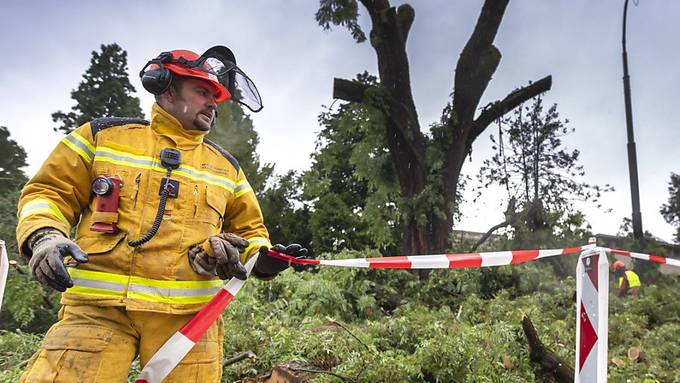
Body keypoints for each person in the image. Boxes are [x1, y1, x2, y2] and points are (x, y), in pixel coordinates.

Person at [16, 46, 306, 382]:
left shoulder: (227, 168)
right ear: (165, 86)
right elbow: (48, 192)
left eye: (215, 95)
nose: (213, 103)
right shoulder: (101, 137)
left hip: (189, 320)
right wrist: (45, 236)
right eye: (202, 91)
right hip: (97, 311)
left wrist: (263, 259)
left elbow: (251, 230)